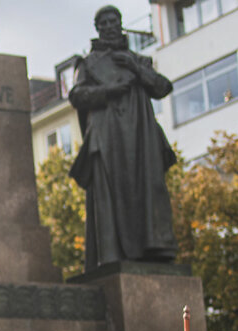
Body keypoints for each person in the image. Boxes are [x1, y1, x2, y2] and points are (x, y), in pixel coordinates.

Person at [68, 5, 176, 271]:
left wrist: (136, 70)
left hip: (141, 136)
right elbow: (77, 96)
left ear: (120, 23)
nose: (108, 26)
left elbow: (162, 87)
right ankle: (114, 254)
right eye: (102, 23)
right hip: (108, 136)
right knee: (110, 192)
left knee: (147, 187)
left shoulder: (138, 60)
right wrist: (108, 90)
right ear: (97, 28)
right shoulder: (89, 63)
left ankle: (153, 247)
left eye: (112, 21)